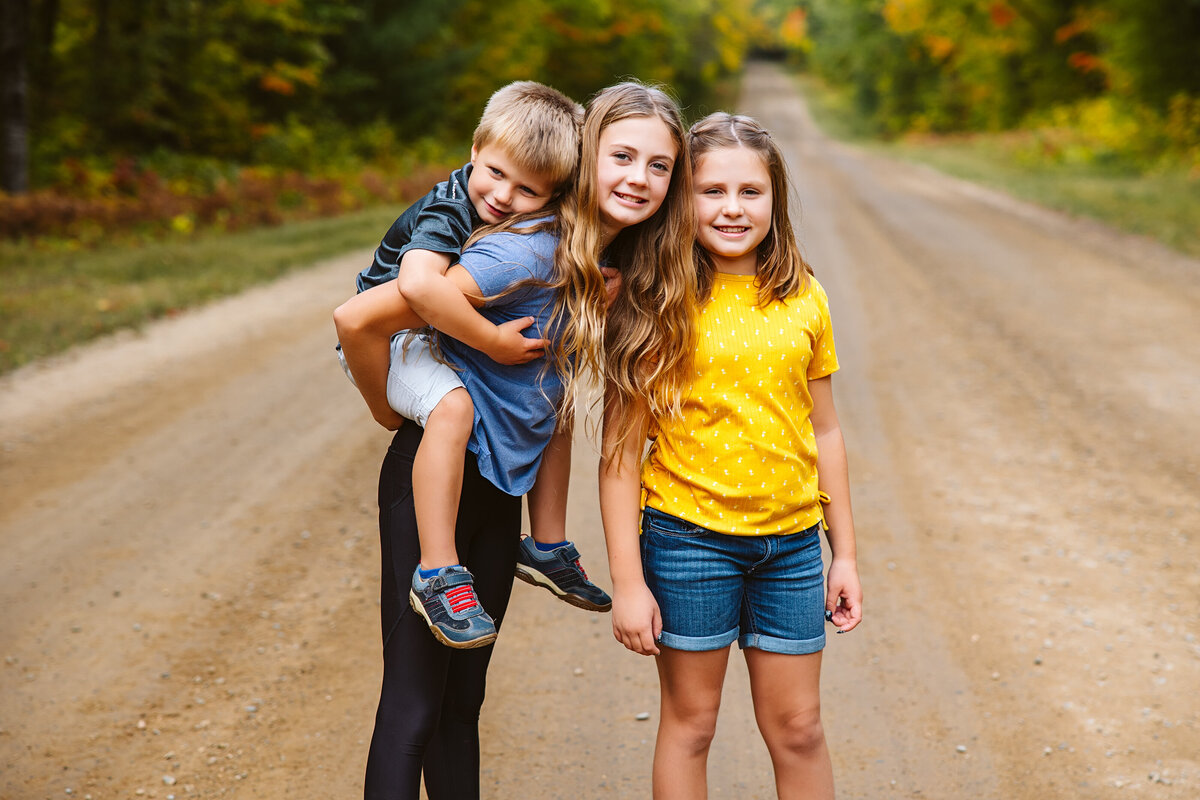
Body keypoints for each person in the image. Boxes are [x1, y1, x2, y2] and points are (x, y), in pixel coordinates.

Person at [334, 81, 695, 800]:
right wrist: (384, 405)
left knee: (463, 705)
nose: (639, 178)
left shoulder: (599, 260)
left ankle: (546, 548)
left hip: (499, 488)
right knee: (413, 707)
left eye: (660, 167)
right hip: (433, 472)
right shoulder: (527, 248)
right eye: (622, 156)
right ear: (586, 161)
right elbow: (363, 316)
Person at [598, 112, 864, 800]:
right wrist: (628, 582)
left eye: (751, 192)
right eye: (711, 191)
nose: (732, 208)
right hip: (688, 542)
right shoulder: (655, 300)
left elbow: (825, 430)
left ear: (775, 200)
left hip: (793, 547)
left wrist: (845, 554)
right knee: (693, 724)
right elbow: (620, 455)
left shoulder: (804, 295)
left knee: (800, 728)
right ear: (682, 201)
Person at [337, 81, 611, 650]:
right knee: (454, 407)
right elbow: (415, 289)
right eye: (495, 172)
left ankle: (547, 545)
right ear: (473, 150)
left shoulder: (536, 213)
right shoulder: (449, 207)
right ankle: (437, 571)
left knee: (551, 391)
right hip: (395, 341)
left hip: (437, 331)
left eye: (528, 189)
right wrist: (491, 343)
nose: (504, 196)